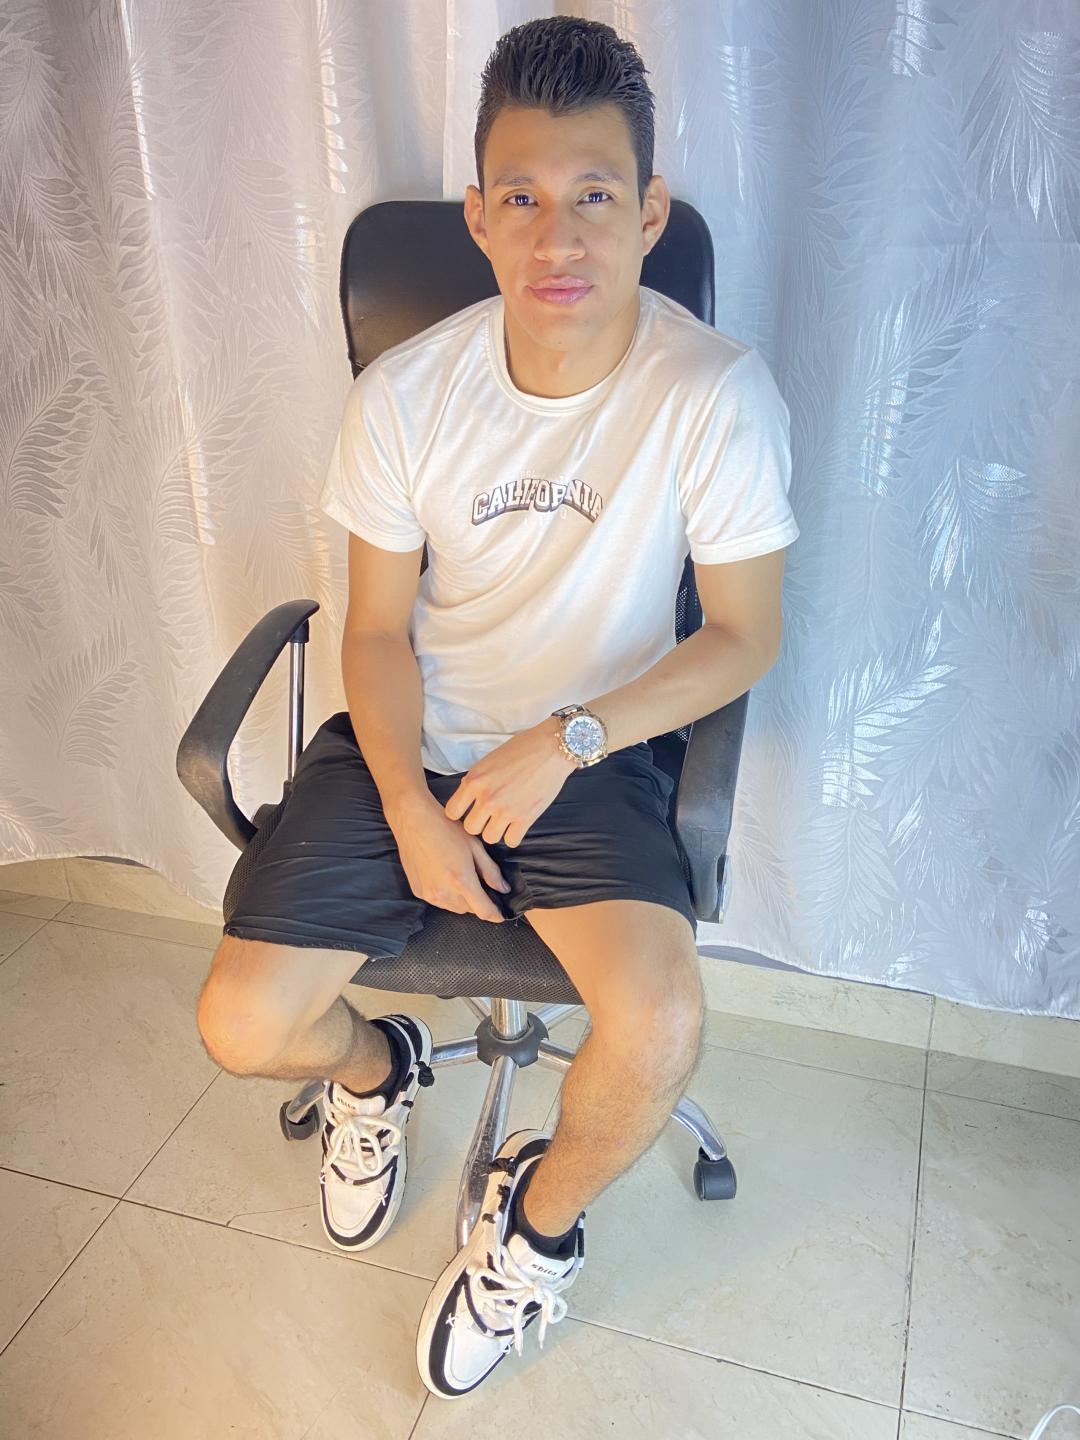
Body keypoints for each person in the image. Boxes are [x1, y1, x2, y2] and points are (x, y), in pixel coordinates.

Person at [195, 15, 799, 1402]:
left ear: (650, 214)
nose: (557, 238)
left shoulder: (716, 395)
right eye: (521, 198)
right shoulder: (407, 393)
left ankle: (534, 1231)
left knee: (658, 1026)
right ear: (476, 217)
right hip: (415, 743)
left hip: (594, 760)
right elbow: (373, 631)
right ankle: (376, 1071)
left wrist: (570, 737)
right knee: (241, 1027)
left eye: (594, 196)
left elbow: (746, 635)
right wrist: (412, 810)